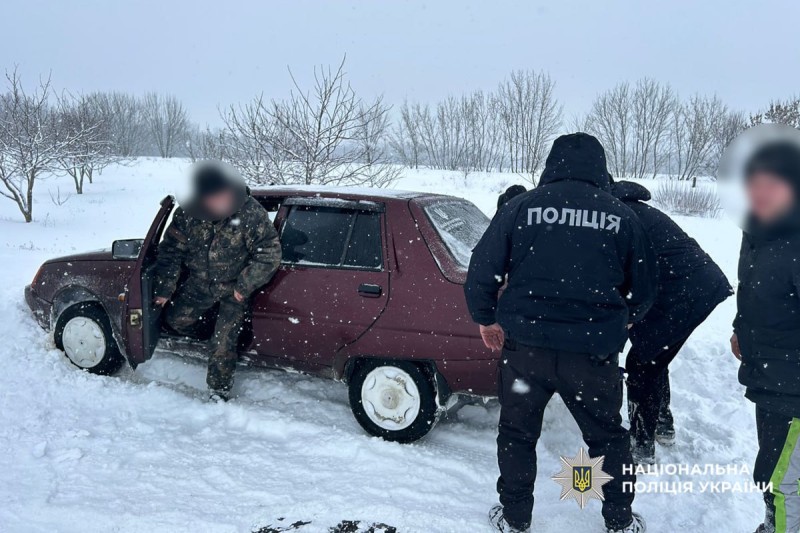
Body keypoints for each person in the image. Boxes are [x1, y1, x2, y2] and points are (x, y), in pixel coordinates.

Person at [465, 133, 657, 533]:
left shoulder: (521, 208)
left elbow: (482, 268)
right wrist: (623, 320)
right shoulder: (621, 215)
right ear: (600, 166)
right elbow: (645, 288)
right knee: (608, 438)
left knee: (517, 433)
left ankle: (515, 517)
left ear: (552, 163)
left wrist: (486, 319)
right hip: (592, 357)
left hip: (525, 353)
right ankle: (619, 520)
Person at [611, 179, 732, 464]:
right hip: (693, 286)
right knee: (652, 355)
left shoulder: (619, 217)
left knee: (641, 363)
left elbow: (620, 270)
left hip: (681, 290)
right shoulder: (631, 209)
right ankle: (663, 424)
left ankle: (641, 445)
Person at [153, 161, 282, 402]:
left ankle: (218, 391)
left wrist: (244, 286)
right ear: (202, 197)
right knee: (175, 320)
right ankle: (210, 333)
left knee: (224, 342)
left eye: (223, 194)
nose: (220, 200)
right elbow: (170, 251)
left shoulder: (250, 213)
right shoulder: (188, 214)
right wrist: (164, 289)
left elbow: (269, 253)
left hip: (233, 289)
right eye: (213, 197)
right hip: (199, 284)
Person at [732, 140, 800, 533]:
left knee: (782, 481)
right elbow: (759, 292)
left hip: (792, 388)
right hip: (771, 379)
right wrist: (739, 328)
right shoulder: (760, 232)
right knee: (777, 473)